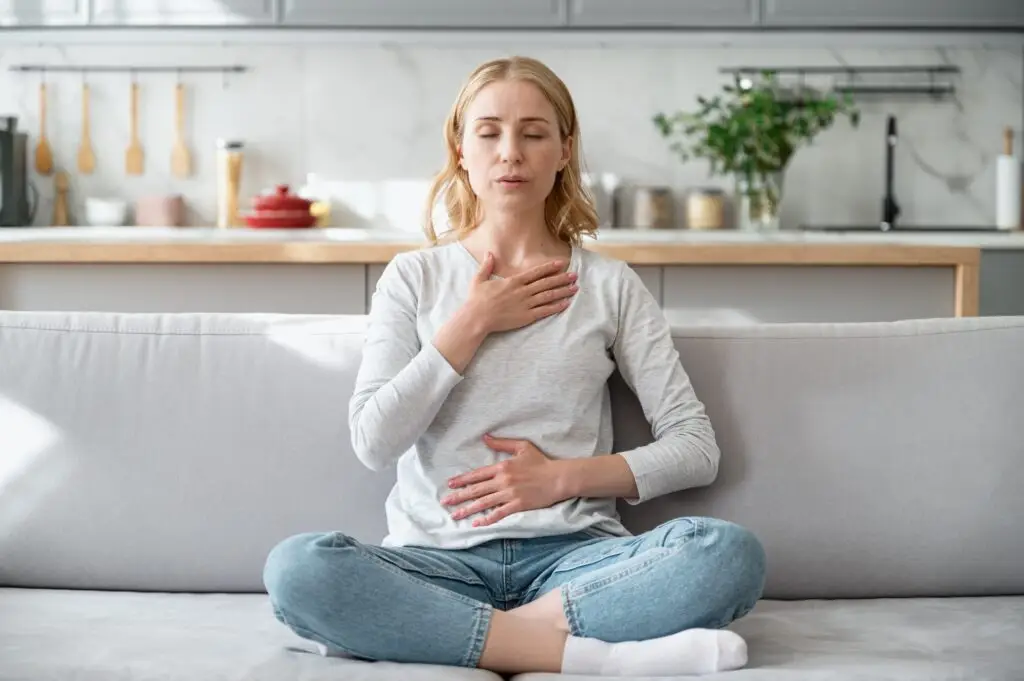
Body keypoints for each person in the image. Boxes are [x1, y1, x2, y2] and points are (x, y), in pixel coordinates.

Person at [263, 55, 766, 677]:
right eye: (489, 131)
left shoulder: (609, 285)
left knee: (726, 554)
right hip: (437, 563)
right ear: (460, 147)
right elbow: (374, 441)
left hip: (575, 564)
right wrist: (470, 323)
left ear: (563, 151)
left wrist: (562, 479)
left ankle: (459, 636)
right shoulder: (413, 278)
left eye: (533, 133)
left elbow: (695, 448)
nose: (511, 152)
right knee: (298, 569)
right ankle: (592, 658)